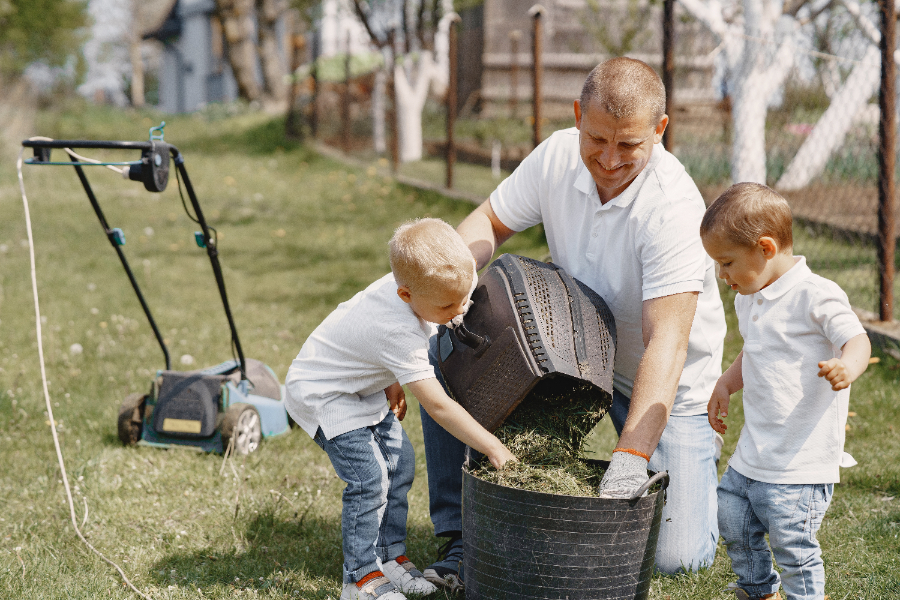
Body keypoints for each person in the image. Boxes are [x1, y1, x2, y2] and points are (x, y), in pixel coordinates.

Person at [420, 56, 727, 589]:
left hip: (665, 386)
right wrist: (437, 296)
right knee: (443, 348)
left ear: (659, 131)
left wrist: (632, 456)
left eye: (628, 144)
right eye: (597, 139)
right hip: (570, 358)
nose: (608, 159)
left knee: (677, 558)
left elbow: (668, 342)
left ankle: (691, 476)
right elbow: (488, 224)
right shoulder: (558, 155)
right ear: (578, 116)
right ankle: (462, 533)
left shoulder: (672, 207)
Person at [284, 218, 516, 600]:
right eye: (447, 305)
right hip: (325, 394)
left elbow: (367, 342)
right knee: (368, 478)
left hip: (361, 385)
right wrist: (493, 447)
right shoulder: (396, 327)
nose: (460, 310)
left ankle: (389, 557)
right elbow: (439, 407)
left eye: (465, 295)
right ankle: (359, 579)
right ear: (406, 295)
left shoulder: (427, 293)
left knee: (400, 463)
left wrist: (392, 378)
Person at [701, 183, 870, 600]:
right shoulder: (751, 295)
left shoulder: (816, 295)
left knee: (793, 546)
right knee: (733, 517)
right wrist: (726, 382)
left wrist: (847, 365)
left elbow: (858, 339)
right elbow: (755, 350)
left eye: (726, 263)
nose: (722, 277)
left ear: (766, 248)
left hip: (799, 461)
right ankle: (759, 591)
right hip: (755, 452)